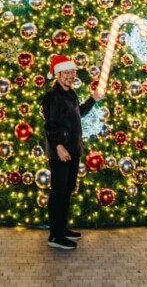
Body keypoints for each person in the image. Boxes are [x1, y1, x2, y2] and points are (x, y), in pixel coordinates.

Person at [41, 53, 104, 251]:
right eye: (66, 72)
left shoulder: (71, 94)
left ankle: (62, 228)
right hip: (61, 151)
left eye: (72, 71)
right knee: (59, 191)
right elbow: (50, 124)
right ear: (58, 75)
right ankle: (55, 235)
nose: (70, 75)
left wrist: (93, 99)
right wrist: (58, 146)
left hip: (73, 150)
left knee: (67, 190)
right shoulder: (52, 97)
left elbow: (79, 114)